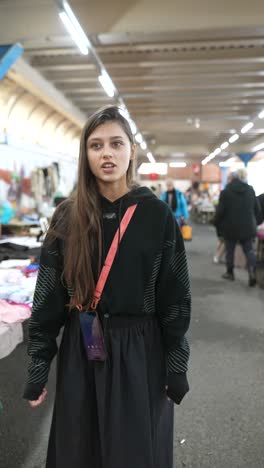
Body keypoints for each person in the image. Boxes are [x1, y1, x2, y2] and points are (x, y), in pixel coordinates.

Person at [23, 106, 191, 468]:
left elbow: (175, 297)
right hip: (83, 342)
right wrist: (39, 366)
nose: (107, 153)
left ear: (132, 150)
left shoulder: (156, 215)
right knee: (79, 445)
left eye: (116, 143)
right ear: (86, 155)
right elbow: (48, 296)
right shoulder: (68, 216)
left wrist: (176, 364)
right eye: (96, 145)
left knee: (133, 449)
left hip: (140, 349)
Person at [214, 169, 262, 286]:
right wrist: (252, 221)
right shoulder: (250, 189)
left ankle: (230, 273)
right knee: (249, 250)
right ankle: (252, 273)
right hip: (248, 227)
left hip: (231, 227)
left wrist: (216, 222)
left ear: (230, 179)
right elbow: (258, 209)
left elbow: (221, 211)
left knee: (230, 250)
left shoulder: (225, 192)